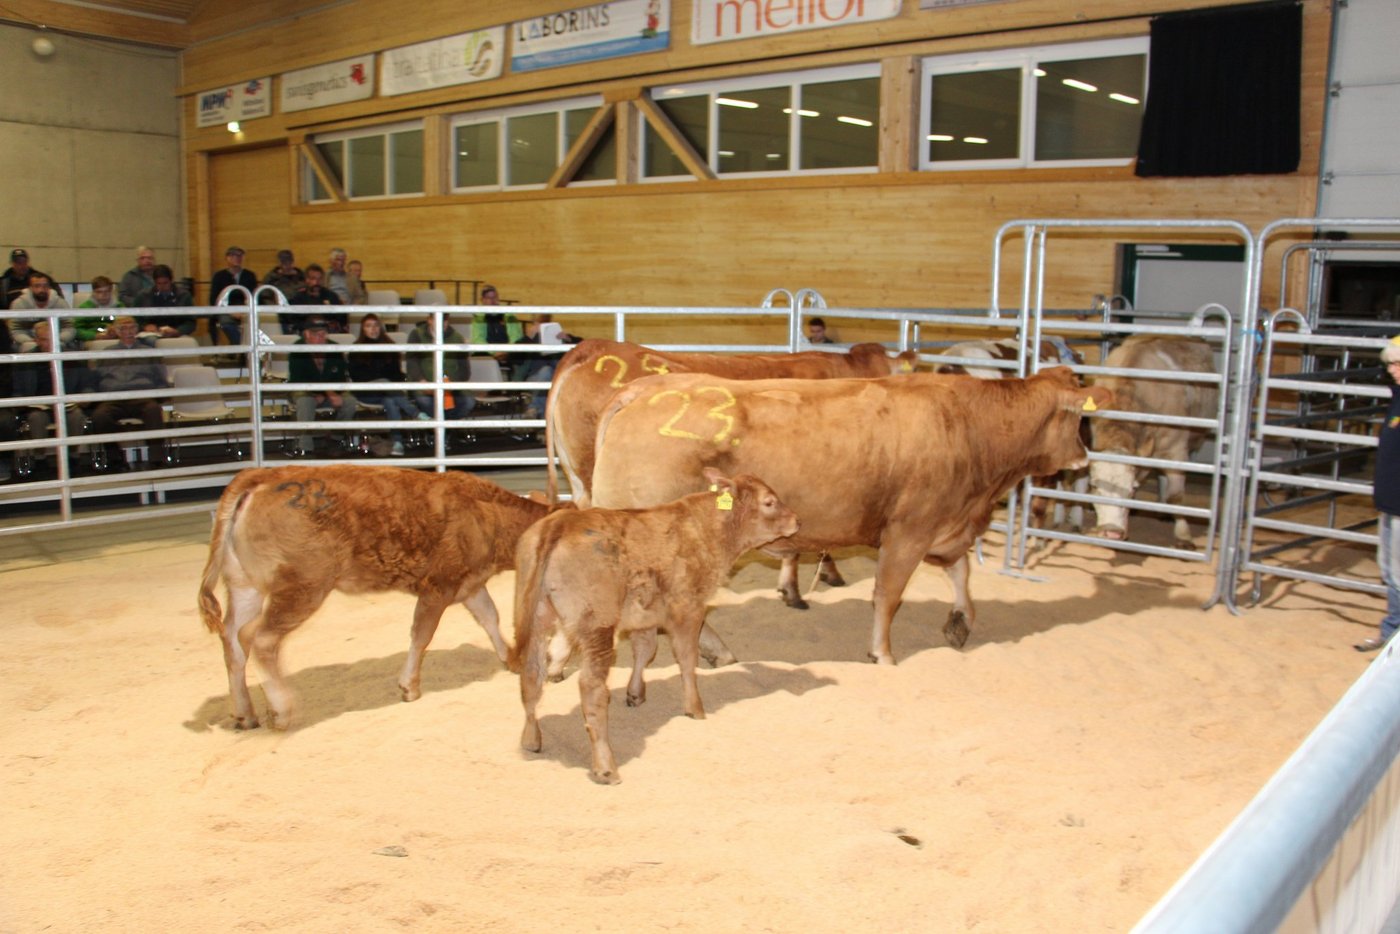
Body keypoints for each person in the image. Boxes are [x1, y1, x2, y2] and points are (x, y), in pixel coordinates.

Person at [1358, 337, 1400, 652]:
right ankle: (1391, 633)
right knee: (1388, 569)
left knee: (1398, 571)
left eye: (1397, 364)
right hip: (1389, 502)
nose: (1391, 370)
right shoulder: (1397, 400)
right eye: (1390, 364)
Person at [88, 315, 168, 470]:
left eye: (132, 327)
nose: (128, 331)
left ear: (137, 330)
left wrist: (161, 392)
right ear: (117, 331)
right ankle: (115, 458)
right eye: (123, 328)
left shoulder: (149, 352)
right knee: (100, 416)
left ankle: (157, 458)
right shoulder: (106, 353)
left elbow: (161, 378)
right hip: (112, 397)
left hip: (141, 396)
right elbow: (96, 379)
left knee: (153, 410)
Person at [12, 320, 91, 474]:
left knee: (77, 416)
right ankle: (40, 459)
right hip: (38, 406)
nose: (49, 343)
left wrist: (84, 398)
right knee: (36, 418)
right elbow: (17, 391)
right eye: (44, 339)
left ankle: (73, 457)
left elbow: (87, 385)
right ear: (36, 340)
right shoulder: (25, 361)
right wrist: (23, 403)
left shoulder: (73, 358)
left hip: (68, 404)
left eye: (52, 338)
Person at [349, 313, 425, 457]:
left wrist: (386, 381)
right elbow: (356, 376)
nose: (373, 329)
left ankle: (398, 443)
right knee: (384, 382)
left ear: (381, 327)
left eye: (376, 325)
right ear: (362, 329)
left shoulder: (390, 347)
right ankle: (415, 413)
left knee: (390, 400)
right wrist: (379, 380)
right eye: (368, 326)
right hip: (366, 392)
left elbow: (396, 374)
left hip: (389, 392)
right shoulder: (356, 349)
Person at [289, 316, 356, 456]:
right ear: (307, 334)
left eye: (323, 333)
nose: (321, 337)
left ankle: (336, 438)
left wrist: (327, 393)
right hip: (305, 390)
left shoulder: (334, 348)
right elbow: (299, 378)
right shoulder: (296, 349)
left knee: (349, 401)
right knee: (305, 401)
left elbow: (340, 377)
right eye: (316, 334)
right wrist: (322, 393)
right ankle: (305, 446)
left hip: (328, 390)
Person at [406, 312, 474, 422]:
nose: (442, 323)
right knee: (425, 401)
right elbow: (412, 362)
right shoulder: (416, 334)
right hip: (425, 383)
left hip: (451, 385)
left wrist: (453, 384)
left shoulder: (457, 338)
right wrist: (421, 380)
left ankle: (443, 427)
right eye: (438, 319)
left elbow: (464, 369)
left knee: (469, 401)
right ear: (429, 320)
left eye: (445, 320)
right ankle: (445, 428)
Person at [513, 314, 579, 417]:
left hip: (555, 378)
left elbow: (583, 344)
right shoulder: (529, 340)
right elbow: (514, 357)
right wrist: (528, 338)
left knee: (551, 373)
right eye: (540, 323)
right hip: (534, 377)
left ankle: (534, 409)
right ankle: (541, 414)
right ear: (534, 324)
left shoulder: (559, 338)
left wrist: (567, 338)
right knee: (547, 372)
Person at [208, 245, 258, 346]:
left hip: (246, 309)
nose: (237, 258)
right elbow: (214, 298)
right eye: (233, 256)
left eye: (239, 256)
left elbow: (253, 295)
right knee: (226, 323)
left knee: (256, 323)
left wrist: (245, 309)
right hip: (226, 310)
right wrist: (230, 311)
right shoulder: (219, 276)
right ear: (227, 258)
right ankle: (243, 346)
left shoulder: (250, 275)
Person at [9, 272, 73, 343]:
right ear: (30, 288)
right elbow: (16, 330)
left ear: (49, 287)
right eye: (37, 286)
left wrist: (57, 340)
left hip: (57, 341)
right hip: (29, 342)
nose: (41, 290)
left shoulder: (60, 303)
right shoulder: (19, 304)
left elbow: (69, 327)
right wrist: (31, 341)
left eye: (45, 286)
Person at [134, 264, 195, 338]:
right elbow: (135, 319)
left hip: (177, 334)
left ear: (171, 280)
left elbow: (191, 322)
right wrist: (144, 326)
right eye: (159, 283)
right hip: (150, 334)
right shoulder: (143, 296)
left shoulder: (184, 296)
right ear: (154, 282)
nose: (162, 287)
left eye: (165, 283)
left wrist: (178, 331)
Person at [284, 263, 345, 335]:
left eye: (320, 279)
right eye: (313, 278)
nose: (317, 282)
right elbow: (291, 320)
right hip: (305, 334)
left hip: (328, 334)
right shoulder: (298, 298)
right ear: (306, 280)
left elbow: (341, 318)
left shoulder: (331, 296)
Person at [470, 284, 522, 366]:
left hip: (508, 352)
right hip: (488, 353)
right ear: (482, 300)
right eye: (488, 298)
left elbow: (516, 337)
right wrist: (494, 352)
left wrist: (506, 352)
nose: (492, 300)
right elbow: (478, 340)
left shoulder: (509, 315)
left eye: (494, 297)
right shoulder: (479, 318)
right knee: (478, 354)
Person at [74, 275, 125, 342]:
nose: (103, 295)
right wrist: (95, 336)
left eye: (107, 291)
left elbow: (128, 325)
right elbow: (76, 330)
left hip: (117, 337)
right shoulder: (85, 308)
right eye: (99, 292)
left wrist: (117, 331)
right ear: (93, 292)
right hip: (93, 338)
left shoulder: (119, 306)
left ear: (111, 292)